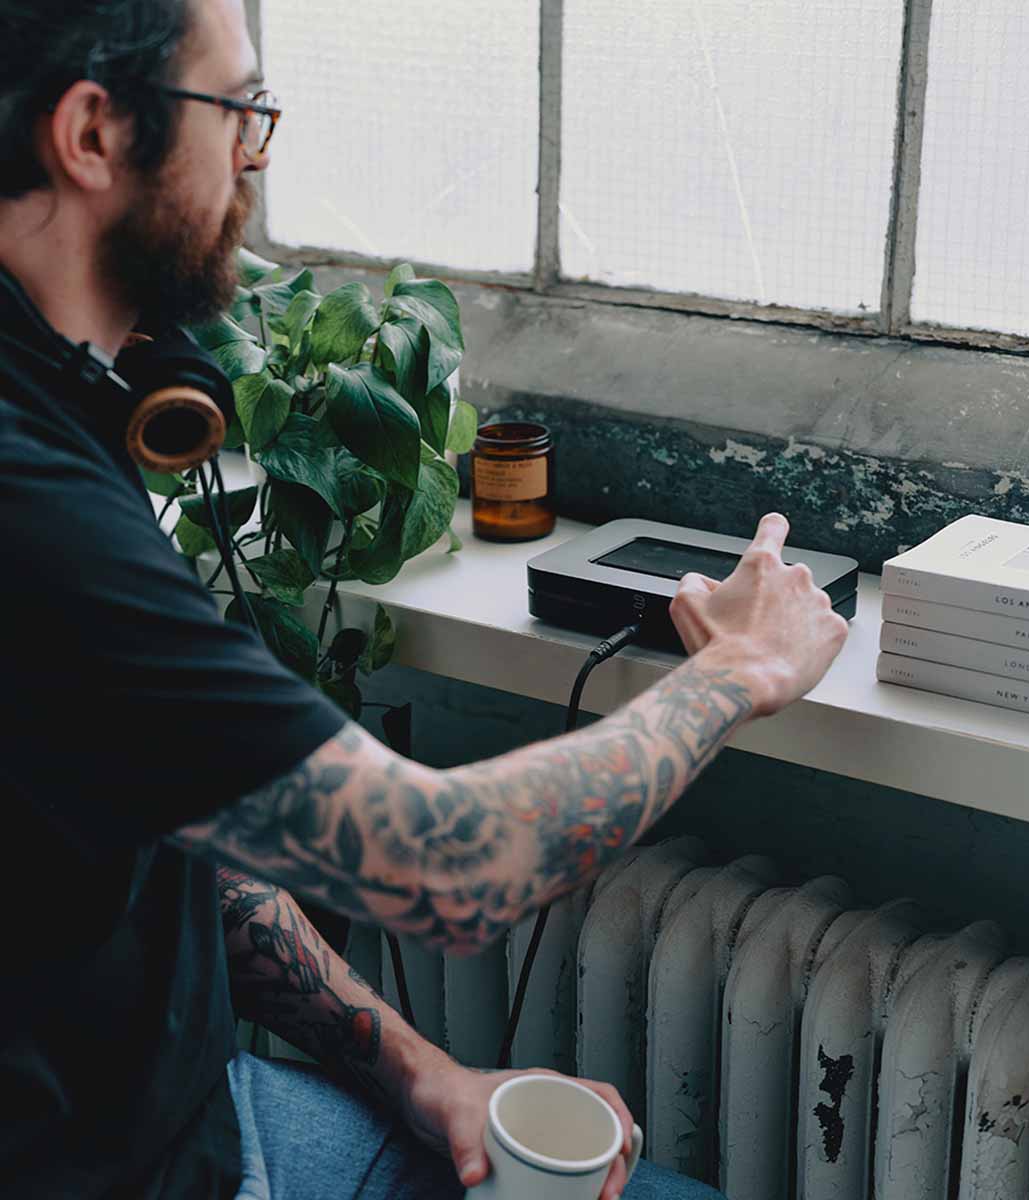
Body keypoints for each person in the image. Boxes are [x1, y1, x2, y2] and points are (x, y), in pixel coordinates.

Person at [0, 2, 849, 1197]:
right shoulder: (32, 507)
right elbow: (451, 864)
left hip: (200, 1106)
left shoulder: (63, 390)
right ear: (93, 134)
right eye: (235, 109)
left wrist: (418, 1070)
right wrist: (737, 670)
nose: (253, 156)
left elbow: (185, 829)